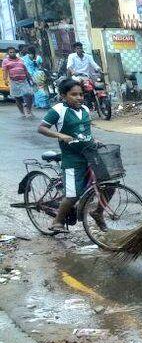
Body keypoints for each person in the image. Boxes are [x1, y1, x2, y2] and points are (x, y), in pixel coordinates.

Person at [37, 78, 101, 232]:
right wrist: (60, 135)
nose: (79, 97)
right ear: (63, 95)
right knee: (72, 195)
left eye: (81, 94)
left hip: (89, 155)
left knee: (106, 184)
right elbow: (41, 128)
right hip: (72, 159)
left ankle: (98, 212)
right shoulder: (58, 110)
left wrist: (94, 140)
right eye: (74, 94)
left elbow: (85, 131)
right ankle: (57, 222)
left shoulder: (85, 109)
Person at [3, 46, 35, 118]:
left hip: (24, 81)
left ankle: (28, 110)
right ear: (8, 53)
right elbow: (5, 71)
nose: (12, 53)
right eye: (11, 52)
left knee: (29, 94)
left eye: (14, 52)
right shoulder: (5, 61)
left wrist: (31, 79)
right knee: (17, 98)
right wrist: (5, 80)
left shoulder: (20, 59)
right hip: (14, 82)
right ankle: (22, 113)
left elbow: (25, 70)